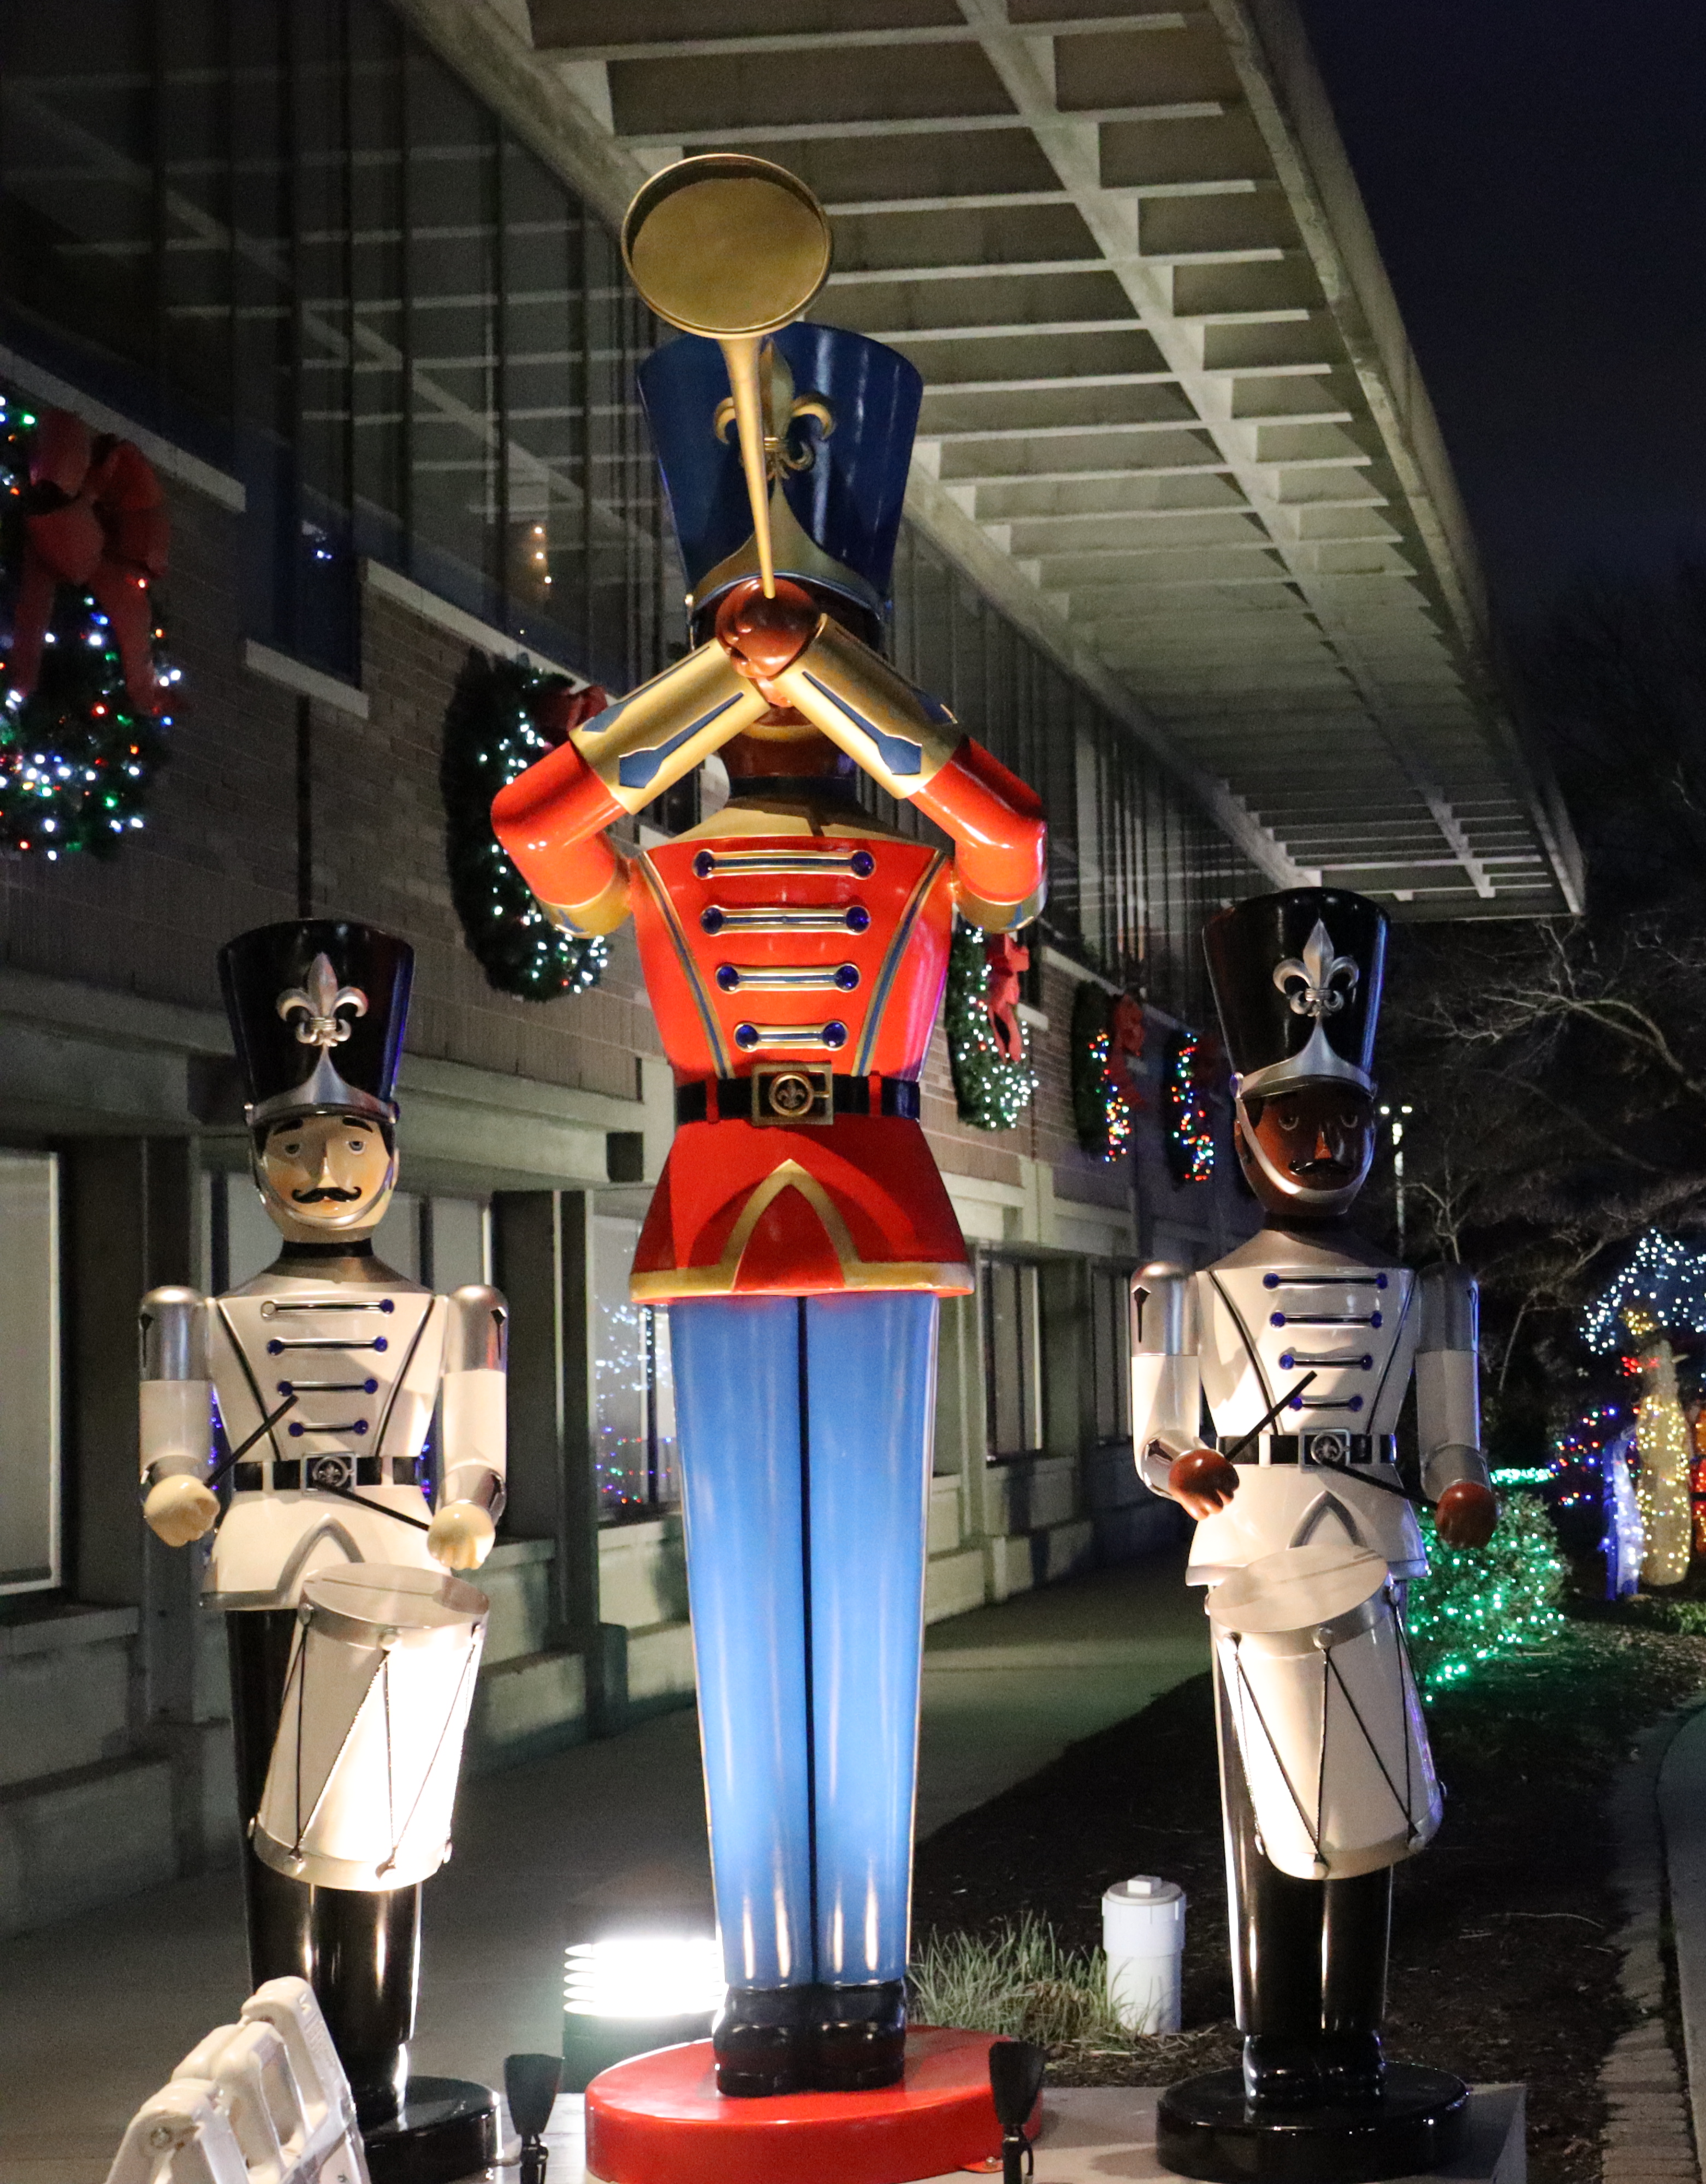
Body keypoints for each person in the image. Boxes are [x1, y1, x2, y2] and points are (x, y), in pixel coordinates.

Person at [491, 316, 1044, 2098]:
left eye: (816, 652)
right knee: (748, 1603)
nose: (788, 691)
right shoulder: (656, 839)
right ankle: (766, 1985)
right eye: (758, 653)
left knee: (863, 1605)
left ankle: (859, 1978)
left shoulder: (919, 846)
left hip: (875, 1203)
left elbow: (1019, 850)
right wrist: (707, 686)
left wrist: (842, 676)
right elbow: (534, 837)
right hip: (727, 1204)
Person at [1131, 888, 1492, 2173]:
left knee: (1374, 1814)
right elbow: (1156, 1432)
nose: (1324, 1138)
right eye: (1298, 1115)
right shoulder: (1187, 1292)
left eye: (1345, 1118)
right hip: (1255, 1551)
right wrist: (1182, 1466)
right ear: (1247, 1126)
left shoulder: (1421, 1289)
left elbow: (1450, 1434)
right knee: (1271, 1817)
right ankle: (1277, 2035)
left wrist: (1458, 1482)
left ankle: (1359, 2032)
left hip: (1370, 1548)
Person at [139, 919, 506, 2180]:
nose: (326, 1163)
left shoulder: (447, 1310)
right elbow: (173, 1442)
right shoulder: (208, 1314)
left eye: (352, 1141)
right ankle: (283, 2049)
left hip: (398, 1562)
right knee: (274, 1832)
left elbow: (479, 1442)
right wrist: (177, 1482)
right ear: (258, 1165)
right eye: (297, 1143)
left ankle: (377, 2054)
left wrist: (470, 1500)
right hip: (265, 1555)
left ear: (392, 1157)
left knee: (388, 1833)